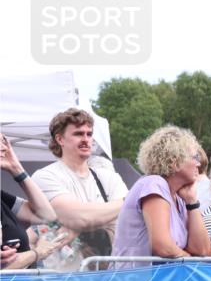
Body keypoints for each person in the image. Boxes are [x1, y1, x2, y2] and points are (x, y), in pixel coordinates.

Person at [31, 108, 129, 269]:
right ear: (60, 139)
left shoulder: (109, 177)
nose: (86, 139)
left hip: (105, 279)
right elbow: (80, 217)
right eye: (78, 134)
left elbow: (126, 223)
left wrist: (77, 226)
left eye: (89, 134)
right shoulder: (44, 177)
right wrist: (125, 202)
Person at [111, 126, 211, 263]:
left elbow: (202, 251)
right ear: (174, 163)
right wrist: (193, 263)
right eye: (195, 157)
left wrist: (192, 202)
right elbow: (162, 247)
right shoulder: (153, 184)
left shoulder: (180, 197)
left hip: (159, 280)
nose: (198, 163)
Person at [0, 135, 66, 269]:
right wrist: (37, 253)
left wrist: (16, 168)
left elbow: (46, 216)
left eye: (3, 142)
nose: (4, 148)